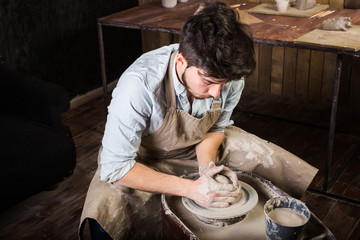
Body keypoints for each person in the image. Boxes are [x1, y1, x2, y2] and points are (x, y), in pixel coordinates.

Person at [79, 1, 318, 239]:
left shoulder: (228, 76)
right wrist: (192, 189)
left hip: (195, 147)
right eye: (209, 82)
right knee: (107, 207)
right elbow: (116, 166)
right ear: (182, 62)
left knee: (270, 159)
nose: (217, 93)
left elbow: (215, 128)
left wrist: (207, 168)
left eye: (223, 84)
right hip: (142, 158)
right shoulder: (138, 86)